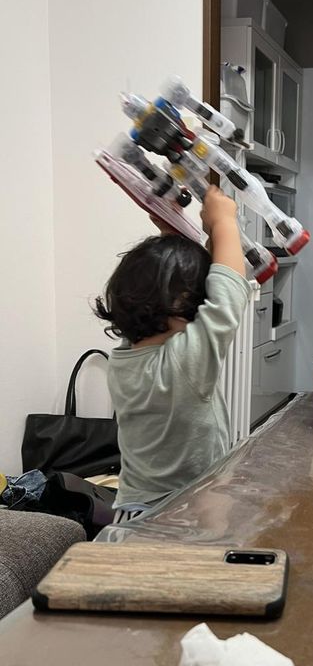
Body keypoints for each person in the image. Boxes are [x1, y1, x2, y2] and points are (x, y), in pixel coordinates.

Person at [95, 186, 251, 522]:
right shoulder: (181, 365)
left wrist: (172, 233)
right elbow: (228, 299)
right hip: (177, 511)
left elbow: (161, 293)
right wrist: (224, 221)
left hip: (132, 506)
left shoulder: (126, 355)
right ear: (182, 307)